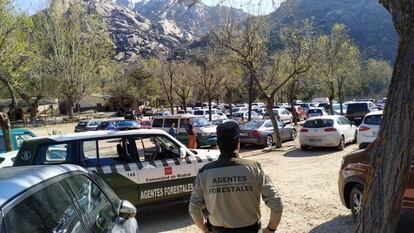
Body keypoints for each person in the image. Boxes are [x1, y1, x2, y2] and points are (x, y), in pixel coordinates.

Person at [189, 121, 283, 233]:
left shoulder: (205, 172)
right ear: (238, 143)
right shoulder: (254, 168)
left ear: (218, 145)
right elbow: (277, 204)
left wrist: (204, 228)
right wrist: (270, 229)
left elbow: (194, 208)